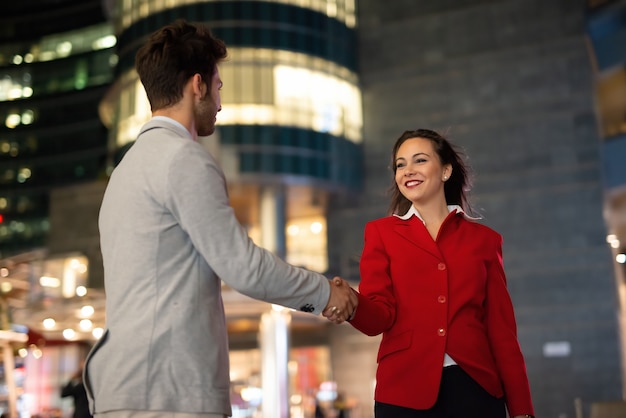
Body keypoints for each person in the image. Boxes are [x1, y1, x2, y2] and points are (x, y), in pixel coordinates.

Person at [83, 19, 356, 418]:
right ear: (198, 86)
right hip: (169, 391)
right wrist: (325, 294)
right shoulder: (183, 159)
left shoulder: (125, 171)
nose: (221, 103)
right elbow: (242, 266)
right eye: (219, 86)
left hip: (125, 389)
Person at [346, 129, 534, 418]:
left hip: (476, 388)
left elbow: (502, 332)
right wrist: (351, 305)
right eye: (400, 164)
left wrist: (522, 410)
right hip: (403, 390)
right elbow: (378, 318)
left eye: (419, 160)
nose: (407, 170)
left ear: (446, 170)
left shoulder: (485, 240)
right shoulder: (380, 234)